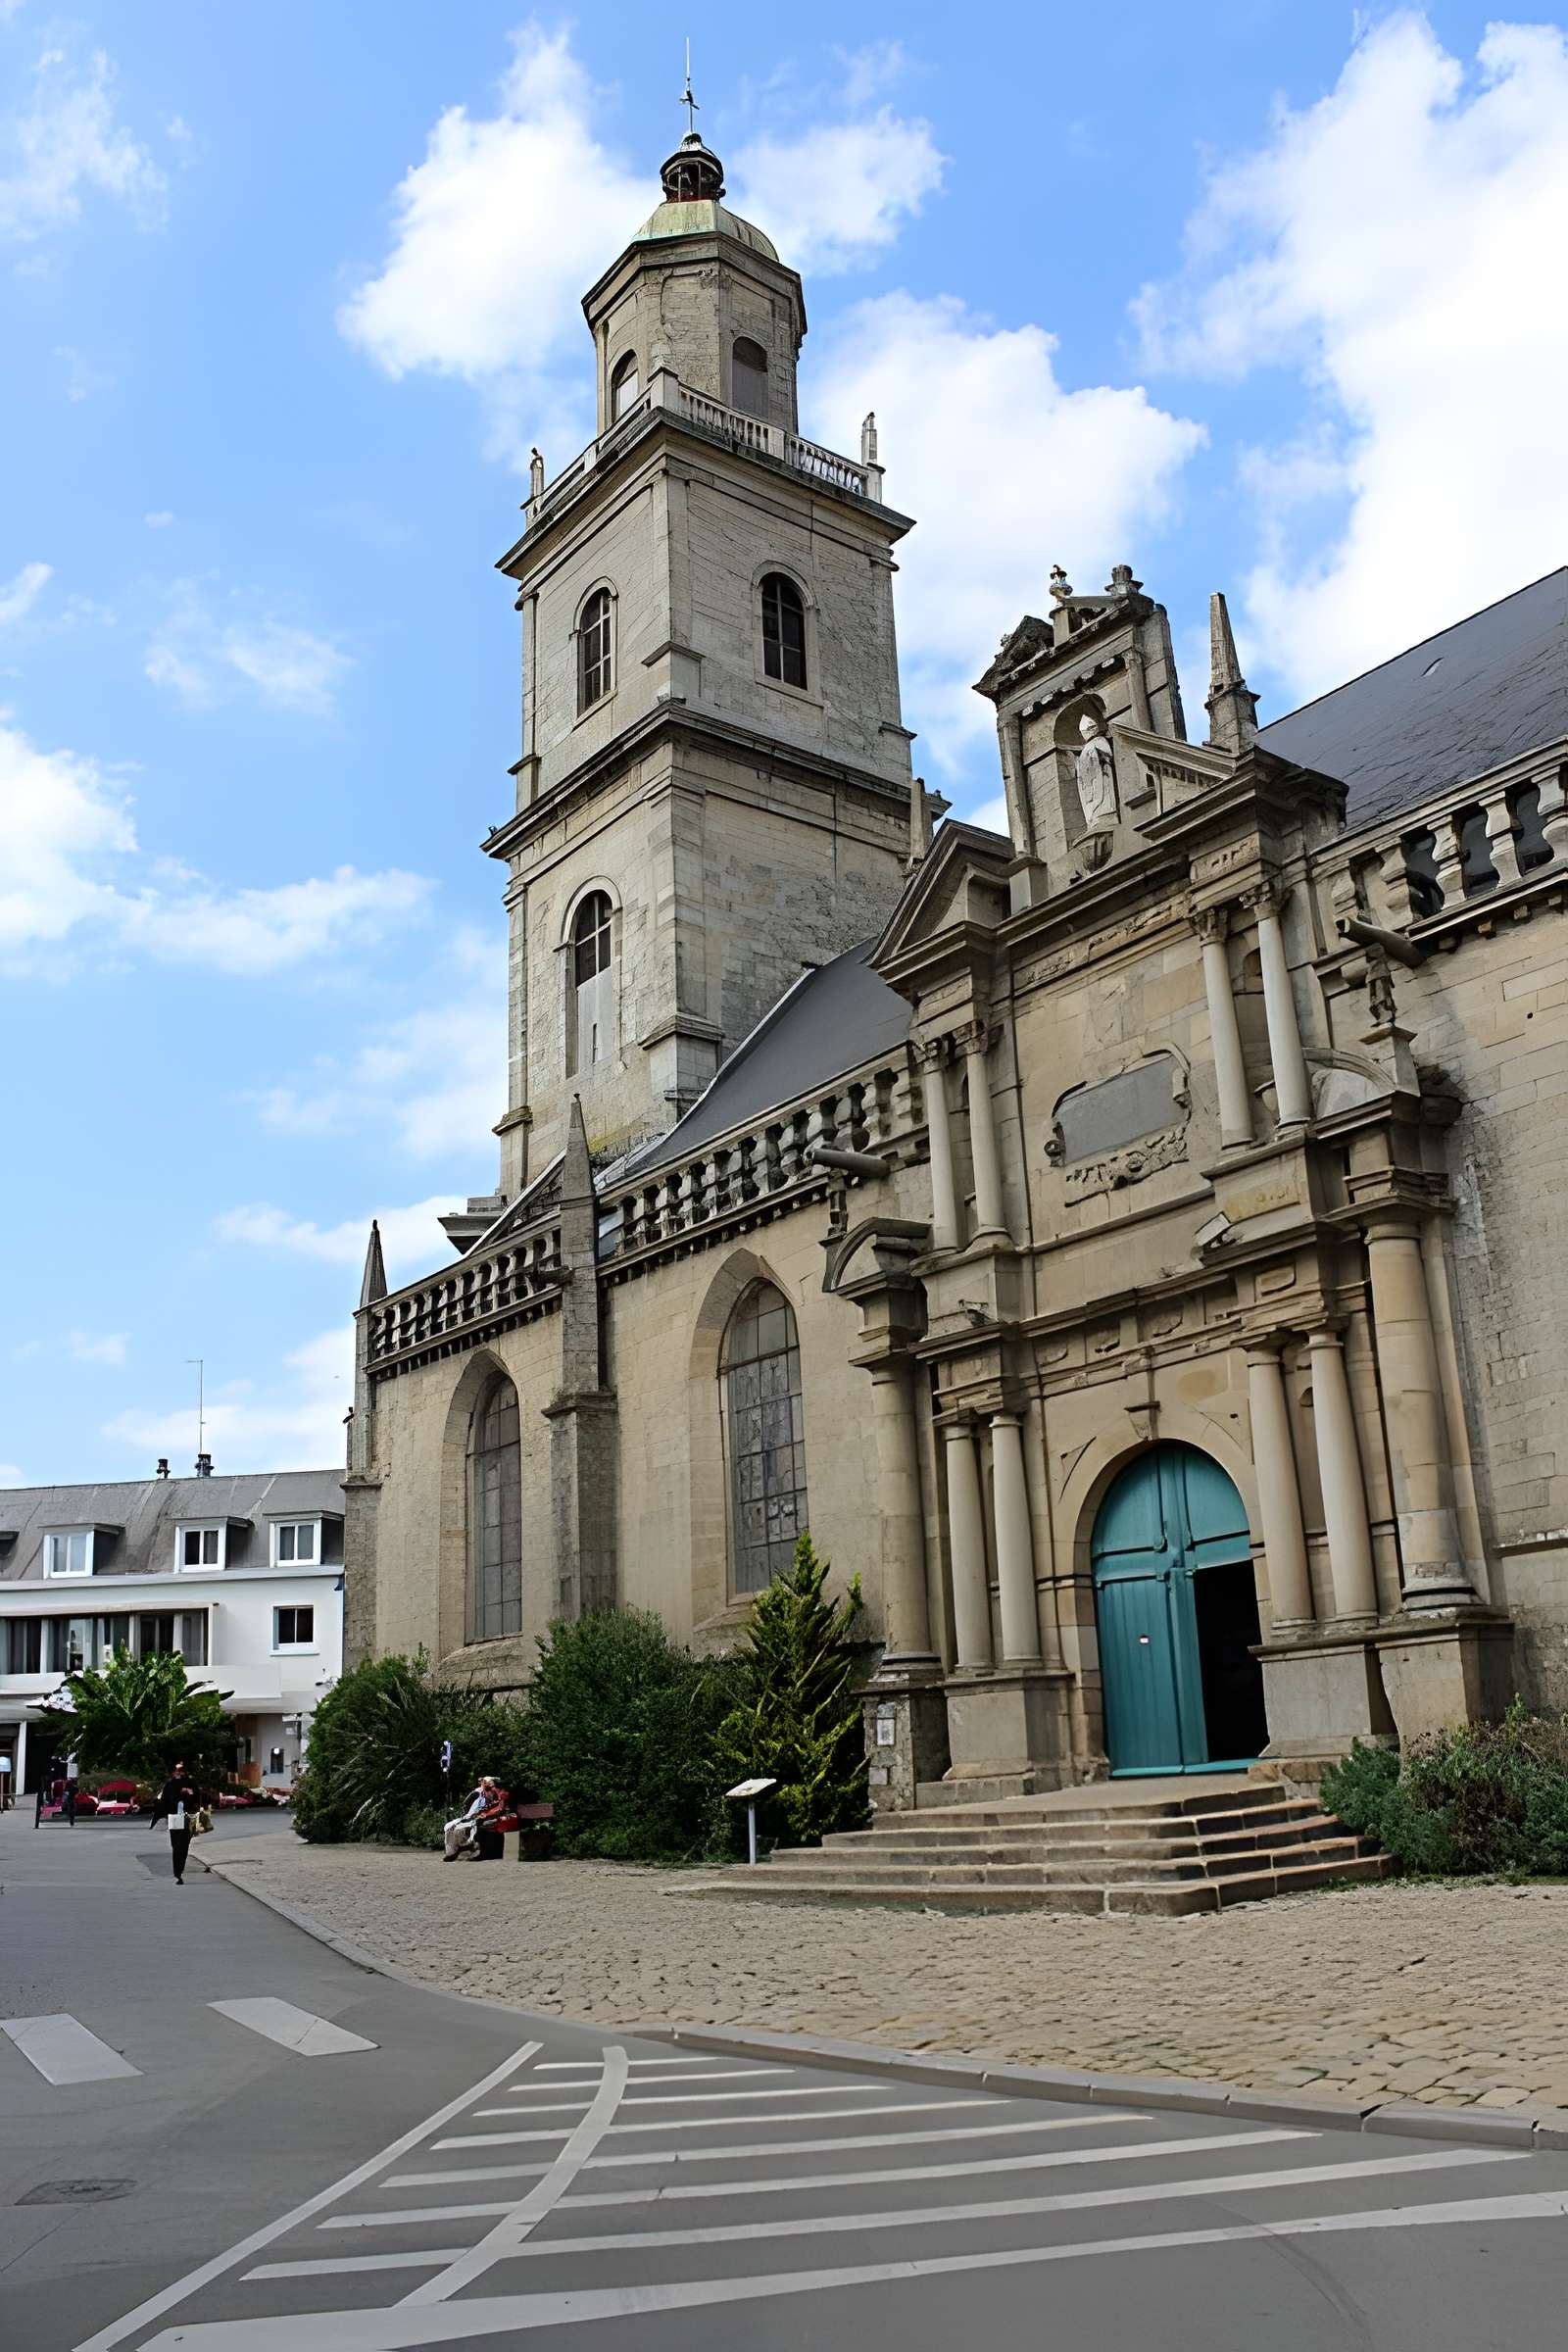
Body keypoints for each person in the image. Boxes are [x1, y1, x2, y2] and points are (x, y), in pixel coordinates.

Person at [150, 1760, 200, 1886]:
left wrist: (162, 1815)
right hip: (184, 1817)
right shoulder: (188, 1783)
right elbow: (198, 1800)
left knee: (178, 1844)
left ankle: (178, 1872)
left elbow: (163, 1803)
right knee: (182, 1845)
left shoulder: (172, 1784)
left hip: (178, 1818)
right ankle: (179, 1871)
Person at [443, 1779, 489, 1861]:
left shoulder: (488, 1795)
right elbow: (467, 1807)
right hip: (469, 1817)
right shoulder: (476, 1794)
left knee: (469, 1828)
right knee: (449, 1826)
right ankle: (452, 1852)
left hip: (478, 1818)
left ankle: (466, 1848)